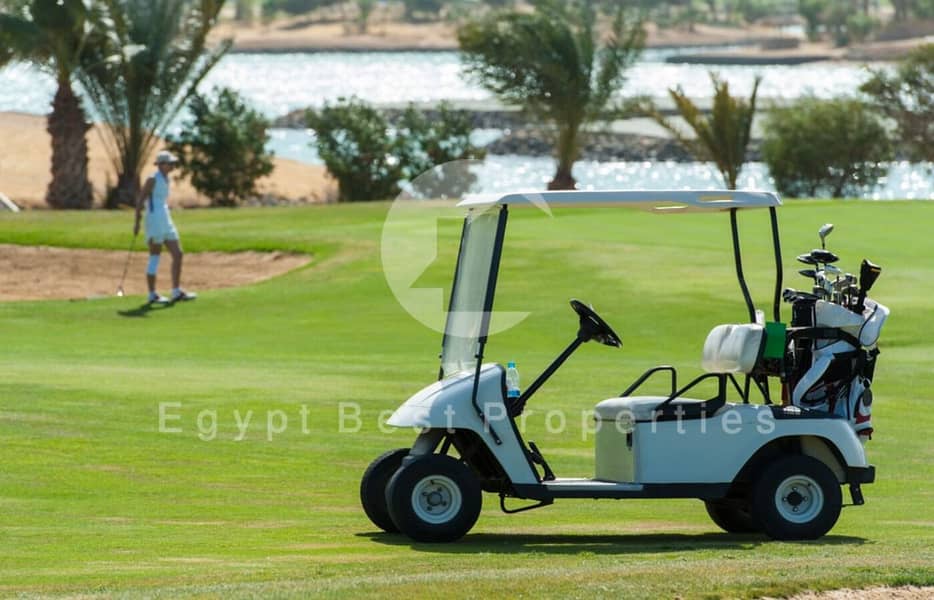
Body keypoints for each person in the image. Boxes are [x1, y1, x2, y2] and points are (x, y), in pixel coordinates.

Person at [134, 151, 196, 304]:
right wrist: (137, 222)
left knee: (178, 254)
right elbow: (141, 200)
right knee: (155, 256)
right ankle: (152, 294)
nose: (173, 165)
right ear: (161, 164)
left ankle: (176, 291)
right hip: (154, 219)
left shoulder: (166, 179)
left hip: (165, 218)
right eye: (170, 163)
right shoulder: (152, 179)